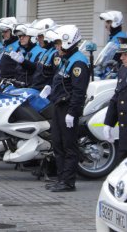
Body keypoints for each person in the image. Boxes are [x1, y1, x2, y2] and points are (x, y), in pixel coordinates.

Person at [46, 25, 90, 192]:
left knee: (68, 146)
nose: (57, 47)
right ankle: (61, 178)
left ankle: (68, 182)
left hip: (68, 108)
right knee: (57, 143)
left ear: (68, 42)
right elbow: (61, 82)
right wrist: (50, 91)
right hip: (59, 106)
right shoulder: (66, 59)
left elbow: (79, 92)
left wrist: (72, 113)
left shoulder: (78, 62)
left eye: (59, 43)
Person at [103, 37, 127, 164]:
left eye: (125, 54)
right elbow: (117, 97)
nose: (121, 58)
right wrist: (108, 123)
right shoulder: (123, 70)